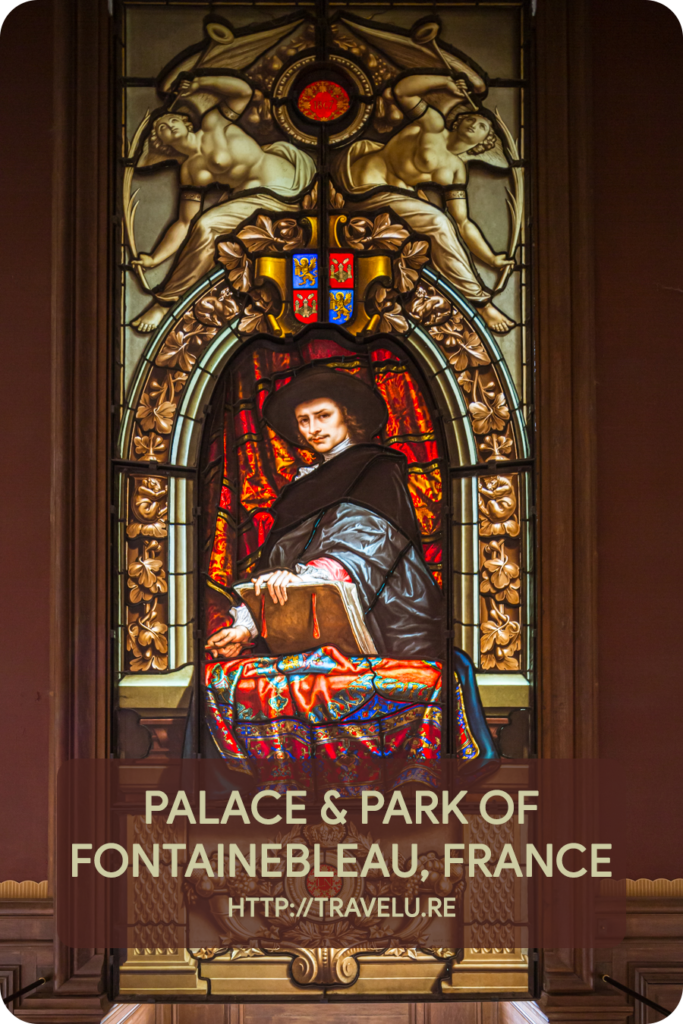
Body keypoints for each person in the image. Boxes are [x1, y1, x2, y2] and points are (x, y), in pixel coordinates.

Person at [202, 365, 493, 776]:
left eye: (323, 416)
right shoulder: (301, 486)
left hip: (388, 618)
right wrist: (245, 629)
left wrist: (303, 577)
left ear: (347, 416)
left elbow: (367, 541)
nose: (312, 429)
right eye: (304, 421)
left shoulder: (376, 468)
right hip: (308, 633)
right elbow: (277, 565)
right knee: (223, 681)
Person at [130, 75, 315, 333]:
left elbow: (243, 92)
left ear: (186, 122)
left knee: (208, 225)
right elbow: (185, 222)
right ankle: (167, 301)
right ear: (163, 145)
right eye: (162, 128)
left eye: (172, 120)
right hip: (258, 203)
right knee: (206, 226)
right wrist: (154, 258)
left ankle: (165, 304)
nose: (169, 125)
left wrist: (200, 83)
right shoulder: (191, 171)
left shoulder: (213, 122)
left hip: (294, 181)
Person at [333, 74, 515, 334]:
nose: (475, 124)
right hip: (364, 182)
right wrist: (445, 82)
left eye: (483, 127)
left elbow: (462, 222)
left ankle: (476, 297)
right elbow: (402, 91)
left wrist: (491, 258)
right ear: (459, 120)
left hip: (391, 198)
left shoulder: (456, 171)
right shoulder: (433, 125)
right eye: (473, 119)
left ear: (481, 145)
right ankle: (481, 303)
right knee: (437, 221)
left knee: (441, 221)